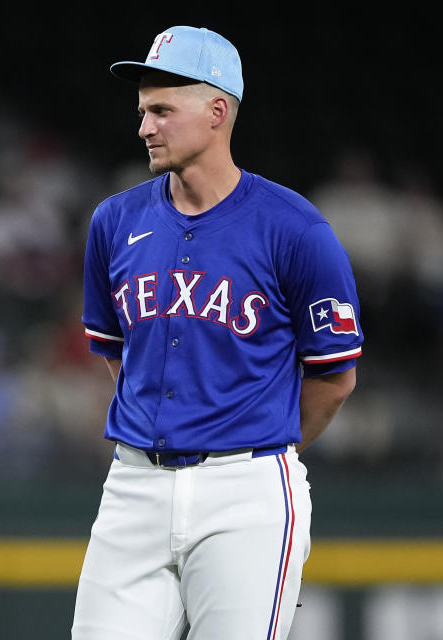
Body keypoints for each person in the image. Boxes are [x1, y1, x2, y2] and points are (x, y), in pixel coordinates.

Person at [73, 27, 362, 640]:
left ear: (217, 111)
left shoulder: (296, 230)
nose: (145, 127)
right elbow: (116, 356)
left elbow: (334, 377)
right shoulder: (114, 221)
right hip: (133, 486)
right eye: (143, 111)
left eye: (161, 110)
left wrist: (258, 447)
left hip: (247, 491)